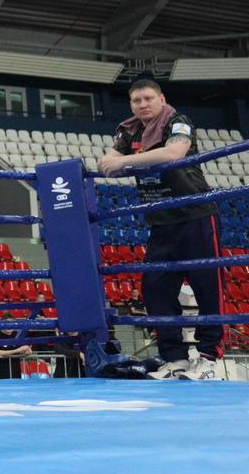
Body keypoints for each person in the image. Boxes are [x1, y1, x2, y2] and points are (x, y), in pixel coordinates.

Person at [99, 79, 224, 381]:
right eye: (136, 100)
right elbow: (106, 163)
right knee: (155, 288)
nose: (142, 105)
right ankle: (176, 358)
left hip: (196, 214)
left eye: (148, 98)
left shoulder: (178, 121)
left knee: (207, 287)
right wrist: (124, 161)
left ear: (161, 99)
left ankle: (208, 359)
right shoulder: (128, 130)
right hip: (160, 221)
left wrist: (127, 161)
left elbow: (172, 155)